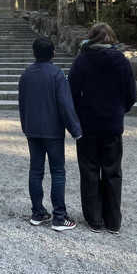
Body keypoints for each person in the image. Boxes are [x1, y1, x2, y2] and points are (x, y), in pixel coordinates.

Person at [68, 22, 136, 235]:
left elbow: (71, 91)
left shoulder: (82, 60)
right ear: (112, 38)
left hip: (88, 124)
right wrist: (119, 110)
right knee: (113, 171)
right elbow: (130, 94)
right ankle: (113, 220)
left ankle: (94, 218)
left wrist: (78, 113)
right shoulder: (121, 61)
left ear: (91, 38)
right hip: (113, 124)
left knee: (89, 169)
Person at [18, 36, 82, 231]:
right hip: (53, 130)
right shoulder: (57, 74)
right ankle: (59, 217)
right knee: (58, 172)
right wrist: (75, 129)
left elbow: (22, 103)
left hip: (32, 129)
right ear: (53, 53)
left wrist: (25, 125)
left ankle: (37, 213)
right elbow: (65, 104)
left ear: (34, 53)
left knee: (35, 171)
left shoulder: (26, 74)